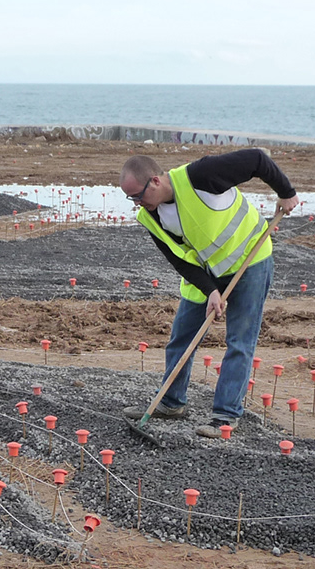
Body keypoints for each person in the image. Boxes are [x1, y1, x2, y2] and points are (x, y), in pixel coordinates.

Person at [118, 149, 299, 437]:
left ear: (154, 181)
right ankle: (171, 403)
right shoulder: (149, 216)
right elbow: (179, 260)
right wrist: (211, 290)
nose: (137, 203)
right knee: (181, 338)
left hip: (250, 262)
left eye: (137, 196)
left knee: (239, 341)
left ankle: (225, 416)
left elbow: (257, 160)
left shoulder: (201, 175)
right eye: (131, 199)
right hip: (206, 275)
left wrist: (285, 192)